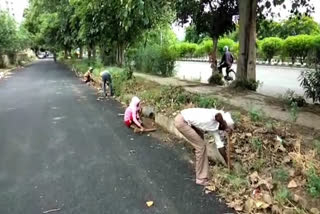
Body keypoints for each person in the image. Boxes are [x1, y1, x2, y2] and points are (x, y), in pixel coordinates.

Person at [174, 108, 234, 186]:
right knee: (201, 146)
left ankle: (200, 167)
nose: (223, 131)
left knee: (200, 138)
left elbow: (220, 145)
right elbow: (218, 116)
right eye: (224, 128)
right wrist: (225, 126)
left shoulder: (217, 126)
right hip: (182, 121)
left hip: (187, 121)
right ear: (223, 122)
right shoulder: (216, 115)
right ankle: (201, 178)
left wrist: (227, 162)